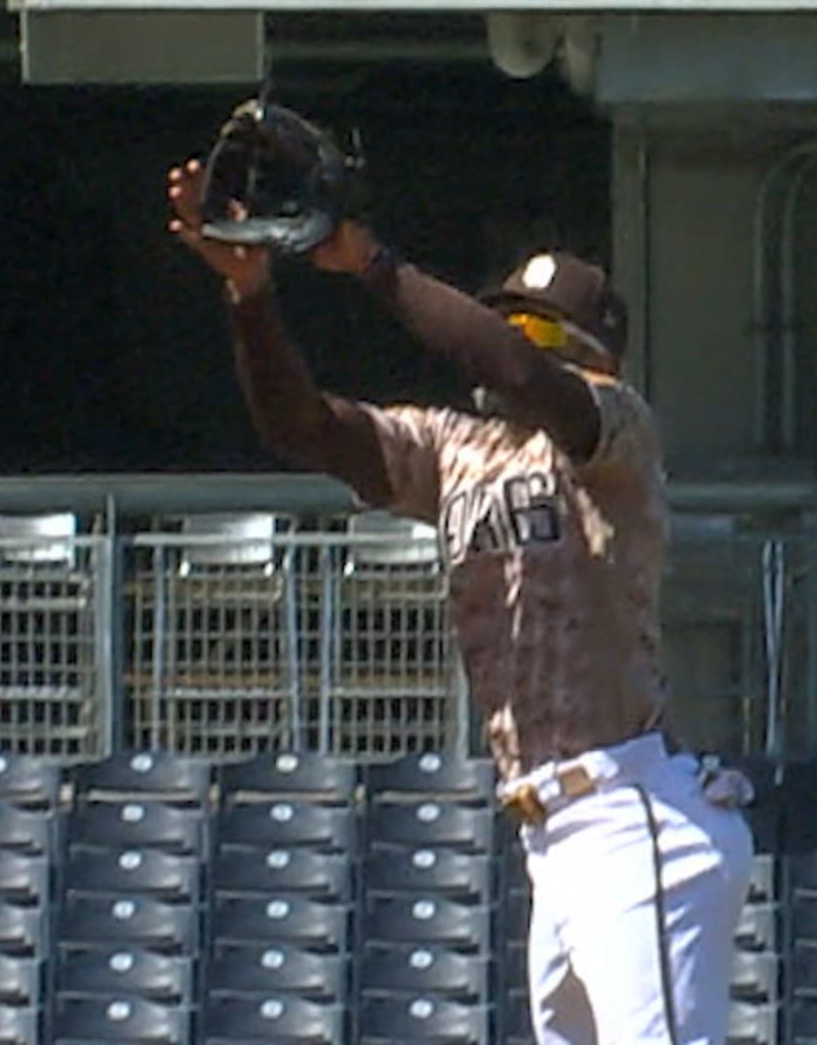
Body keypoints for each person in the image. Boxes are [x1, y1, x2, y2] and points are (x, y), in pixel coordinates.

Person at [166, 157, 755, 1045]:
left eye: (543, 328)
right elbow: (304, 426)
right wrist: (250, 296)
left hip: (636, 817)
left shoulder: (616, 431)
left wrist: (371, 264)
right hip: (553, 833)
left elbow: (519, 372)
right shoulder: (460, 452)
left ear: (599, 355)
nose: (519, 339)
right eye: (508, 318)